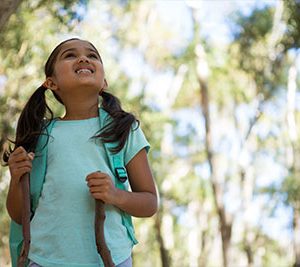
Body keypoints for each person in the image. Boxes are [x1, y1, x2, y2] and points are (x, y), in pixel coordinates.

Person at [4, 38, 158, 267]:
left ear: (104, 81)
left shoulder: (124, 129)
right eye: (70, 55)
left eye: (92, 55)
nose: (83, 58)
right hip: (44, 259)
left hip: (111, 259)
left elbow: (149, 202)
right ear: (51, 83)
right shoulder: (39, 135)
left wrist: (116, 195)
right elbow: (18, 215)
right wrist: (16, 178)